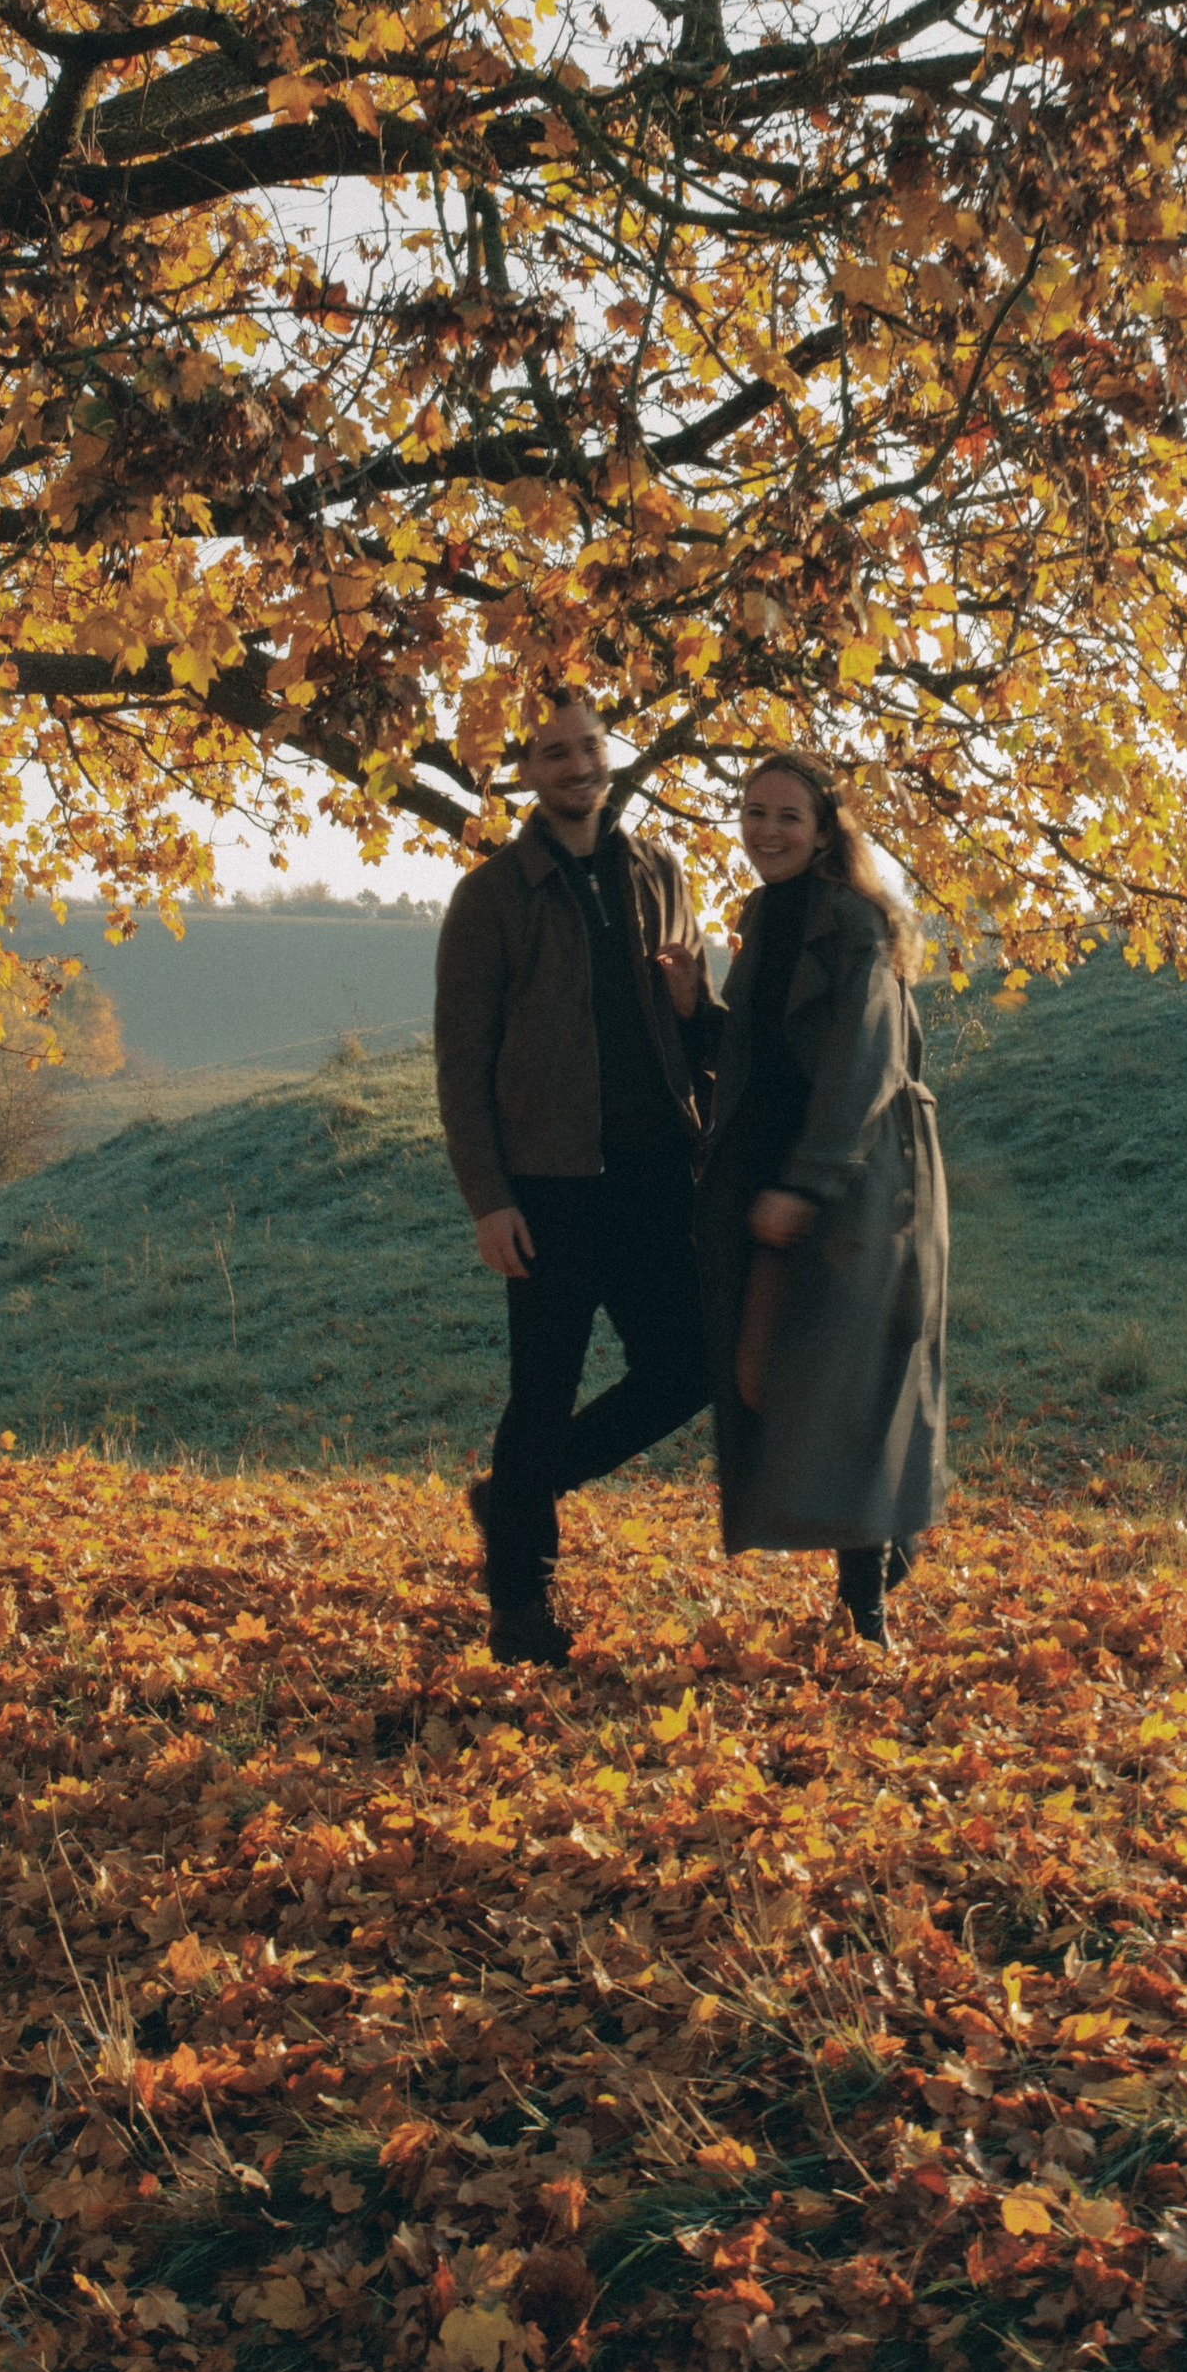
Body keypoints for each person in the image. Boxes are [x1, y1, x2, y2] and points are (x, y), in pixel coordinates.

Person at [433, 693, 717, 1665]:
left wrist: (694, 1003)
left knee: (689, 1367)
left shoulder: (658, 869)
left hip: (651, 1178)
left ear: (609, 753)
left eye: (588, 746)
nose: (575, 765)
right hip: (546, 1190)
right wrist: (488, 1199)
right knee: (541, 1393)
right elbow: (459, 1064)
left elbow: (691, 1020)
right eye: (552, 753)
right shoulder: (491, 897)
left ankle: (514, 1496)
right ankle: (521, 1612)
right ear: (526, 772)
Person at [699, 753, 948, 1646]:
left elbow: (865, 1062)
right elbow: (762, 1052)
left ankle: (867, 1607)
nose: (766, 830)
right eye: (753, 812)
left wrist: (807, 1184)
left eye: (788, 817)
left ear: (824, 828)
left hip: (861, 1180)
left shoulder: (855, 923)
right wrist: (693, 1008)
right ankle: (892, 1542)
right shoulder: (765, 915)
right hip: (779, 1175)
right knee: (769, 1375)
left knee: (852, 1383)